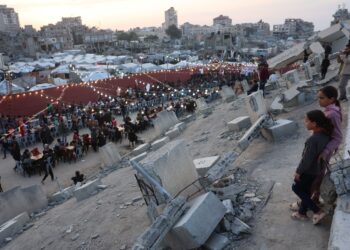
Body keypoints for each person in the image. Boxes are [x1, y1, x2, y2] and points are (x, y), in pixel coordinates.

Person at [290, 110, 333, 224]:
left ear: (314, 123)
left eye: (306, 121)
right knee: (306, 191)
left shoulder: (313, 139)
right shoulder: (325, 135)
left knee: (296, 188)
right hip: (317, 169)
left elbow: (307, 159)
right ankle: (302, 213)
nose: (305, 123)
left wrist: (298, 171)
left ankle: (317, 211)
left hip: (309, 170)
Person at [311, 86, 343, 204]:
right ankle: (314, 198)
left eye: (322, 98)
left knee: (315, 175)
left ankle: (308, 202)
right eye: (318, 97)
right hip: (321, 149)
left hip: (323, 151)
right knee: (317, 174)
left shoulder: (332, 114)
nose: (319, 100)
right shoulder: (330, 111)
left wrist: (325, 151)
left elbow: (338, 137)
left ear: (332, 99)